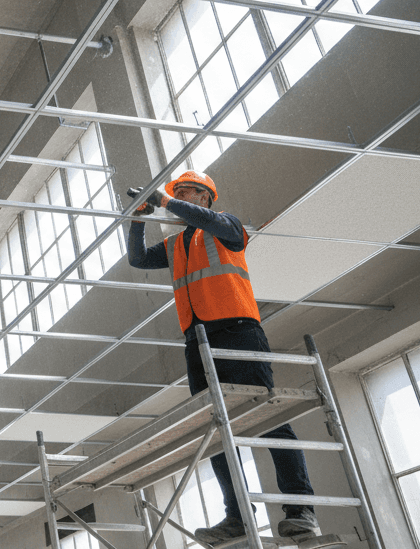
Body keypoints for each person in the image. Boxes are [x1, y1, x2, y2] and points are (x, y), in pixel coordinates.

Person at [126, 171, 318, 544]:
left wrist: (163, 201)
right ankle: (238, 517)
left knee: (267, 417)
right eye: (175, 192)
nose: (179, 196)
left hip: (238, 331)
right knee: (214, 430)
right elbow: (136, 259)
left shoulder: (225, 225)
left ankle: (301, 511)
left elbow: (210, 222)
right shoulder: (176, 244)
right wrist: (137, 219)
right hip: (198, 342)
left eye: (186, 192)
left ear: (206, 197)